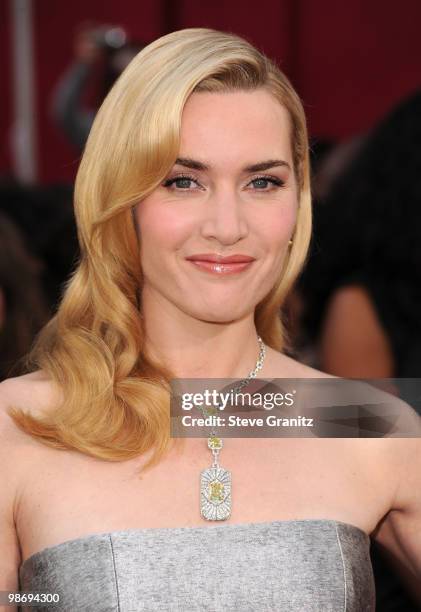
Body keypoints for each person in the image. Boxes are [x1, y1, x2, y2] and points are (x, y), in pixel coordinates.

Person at [0, 28, 420, 611]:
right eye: (183, 181)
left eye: (262, 182)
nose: (227, 226)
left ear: (297, 203)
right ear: (121, 198)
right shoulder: (18, 427)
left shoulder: (363, 422)